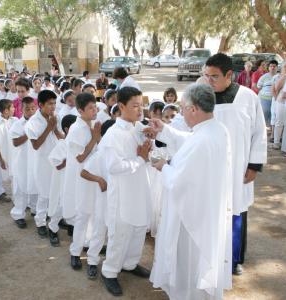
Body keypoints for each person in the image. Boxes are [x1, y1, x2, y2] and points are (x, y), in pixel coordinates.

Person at [146, 83, 233, 300]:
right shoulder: (215, 129)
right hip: (205, 209)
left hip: (191, 217)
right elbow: (188, 142)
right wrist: (164, 129)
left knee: (188, 265)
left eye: (183, 107)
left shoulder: (203, 138)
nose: (181, 112)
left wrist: (162, 166)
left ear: (194, 109)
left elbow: (177, 181)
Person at [203, 53, 267, 276]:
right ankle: (211, 257)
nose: (208, 81)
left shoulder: (248, 97)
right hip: (210, 169)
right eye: (206, 76)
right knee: (210, 213)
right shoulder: (203, 98)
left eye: (214, 77)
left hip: (238, 170)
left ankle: (234, 259)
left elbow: (259, 133)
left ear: (229, 75)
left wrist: (254, 165)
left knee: (236, 213)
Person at [98, 86, 152, 296]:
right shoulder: (113, 135)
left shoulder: (138, 127)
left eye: (142, 105)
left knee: (139, 227)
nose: (140, 110)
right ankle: (110, 271)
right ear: (121, 106)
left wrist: (149, 147)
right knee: (121, 232)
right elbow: (113, 167)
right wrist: (140, 159)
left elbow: (146, 150)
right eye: (135, 106)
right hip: (123, 192)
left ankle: (130, 264)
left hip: (139, 186)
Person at [65, 93, 101, 270]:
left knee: (97, 216)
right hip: (84, 178)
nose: (95, 111)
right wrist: (95, 138)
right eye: (91, 108)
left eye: (95, 107)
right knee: (83, 215)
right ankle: (75, 252)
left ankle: (93, 253)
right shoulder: (76, 129)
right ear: (80, 111)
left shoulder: (92, 124)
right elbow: (80, 157)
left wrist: (97, 137)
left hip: (97, 176)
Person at [25, 90, 64, 243]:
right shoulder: (32, 123)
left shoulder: (56, 117)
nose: (53, 107)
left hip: (57, 161)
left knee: (58, 193)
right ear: (40, 105)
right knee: (45, 194)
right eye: (49, 104)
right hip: (42, 164)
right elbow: (36, 145)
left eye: (54, 103)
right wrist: (49, 127)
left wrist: (54, 128)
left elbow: (61, 137)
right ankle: (40, 222)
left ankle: (54, 222)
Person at [80, 119, 116, 280]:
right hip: (103, 199)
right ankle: (92, 262)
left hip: (118, 199)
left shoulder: (122, 151)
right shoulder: (101, 153)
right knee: (99, 230)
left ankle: (115, 263)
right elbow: (84, 172)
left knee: (114, 232)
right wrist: (100, 179)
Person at [9, 97, 38, 228]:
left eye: (33, 108)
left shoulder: (39, 122)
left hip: (35, 160)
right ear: (21, 110)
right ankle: (18, 214)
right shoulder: (18, 125)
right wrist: (28, 133)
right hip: (22, 161)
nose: (31, 111)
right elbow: (15, 142)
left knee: (35, 184)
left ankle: (35, 209)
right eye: (27, 109)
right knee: (20, 188)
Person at [48, 114, 77, 238]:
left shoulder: (77, 143)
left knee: (74, 204)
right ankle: (52, 228)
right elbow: (56, 164)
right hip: (63, 181)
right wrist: (68, 160)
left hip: (74, 181)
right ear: (67, 129)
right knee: (60, 205)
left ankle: (72, 226)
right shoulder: (62, 144)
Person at [0, 99, 17, 182]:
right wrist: (1, 160)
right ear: (6, 111)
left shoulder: (15, 121)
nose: (14, 109)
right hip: (6, 155)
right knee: (10, 177)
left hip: (16, 154)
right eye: (12, 107)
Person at [272, 61, 286, 149]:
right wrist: (277, 100)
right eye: (285, 67)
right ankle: (276, 142)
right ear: (281, 68)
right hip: (280, 102)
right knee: (279, 122)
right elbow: (274, 89)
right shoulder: (277, 77)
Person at [257, 59, 278, 127]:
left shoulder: (279, 77)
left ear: (277, 67)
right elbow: (259, 87)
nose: (272, 68)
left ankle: (272, 130)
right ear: (268, 68)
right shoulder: (264, 77)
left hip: (275, 99)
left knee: (274, 115)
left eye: (274, 66)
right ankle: (263, 128)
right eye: (271, 66)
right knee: (265, 113)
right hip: (265, 98)